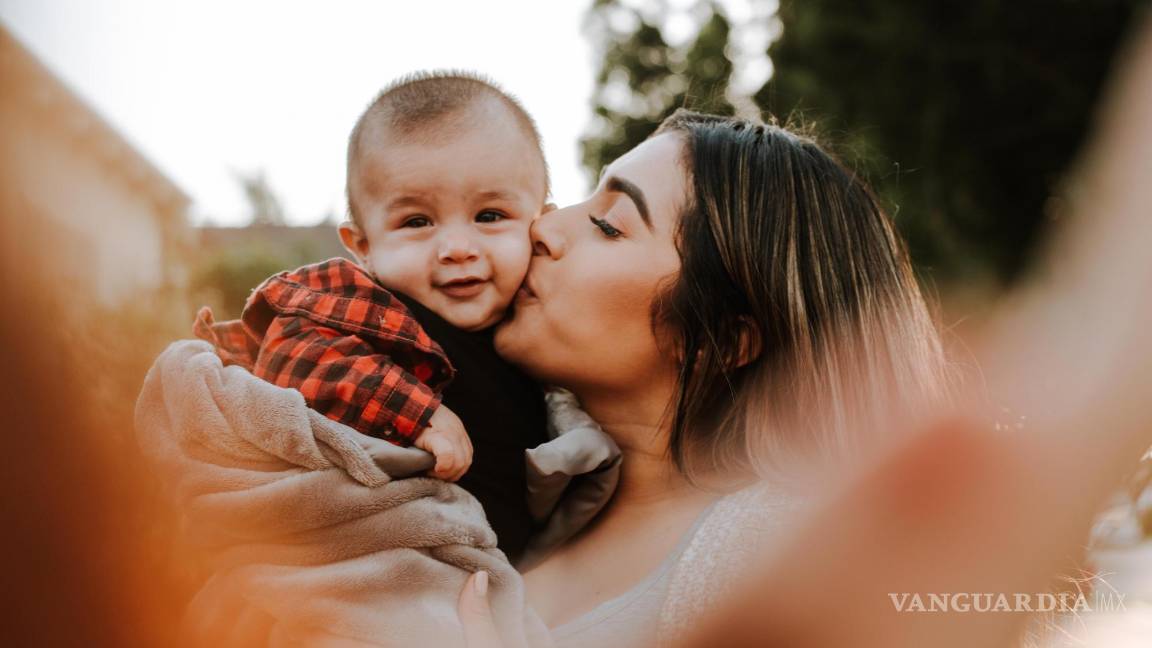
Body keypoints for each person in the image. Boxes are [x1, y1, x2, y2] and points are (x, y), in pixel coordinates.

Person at [460, 108, 952, 645]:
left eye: (608, 225)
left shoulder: (777, 562)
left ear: (723, 340)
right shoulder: (501, 481)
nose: (544, 227)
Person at [192, 71, 555, 564]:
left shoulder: (544, 322)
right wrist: (414, 412)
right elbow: (294, 353)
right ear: (363, 246)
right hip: (376, 565)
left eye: (490, 215)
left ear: (542, 222)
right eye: (416, 222)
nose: (456, 249)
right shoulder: (368, 305)